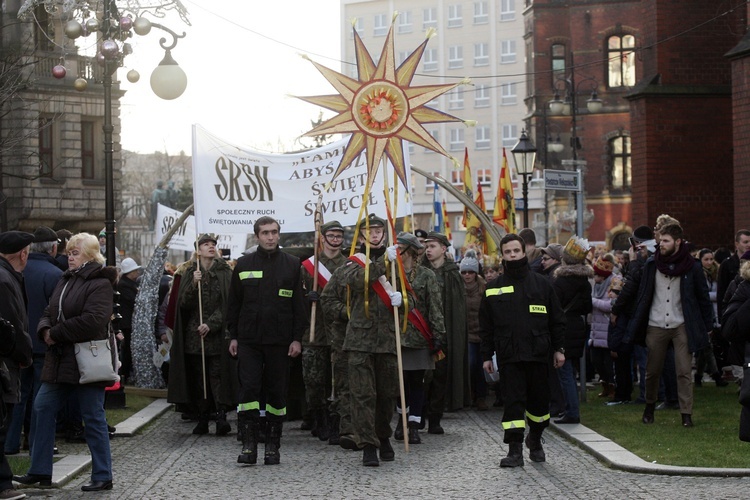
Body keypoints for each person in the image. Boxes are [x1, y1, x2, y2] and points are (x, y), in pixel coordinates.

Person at [14, 232, 115, 492]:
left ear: (90, 255)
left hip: (87, 360)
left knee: (92, 417)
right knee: (42, 407)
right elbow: (49, 311)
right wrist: (45, 330)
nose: (69, 257)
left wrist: (55, 333)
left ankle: (103, 474)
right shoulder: (65, 279)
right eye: (68, 252)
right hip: (60, 360)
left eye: (75, 253)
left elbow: (93, 320)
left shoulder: (99, 282)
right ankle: (40, 470)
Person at [479, 233, 566, 467]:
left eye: (516, 251)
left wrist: (559, 349)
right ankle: (514, 450)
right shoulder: (492, 288)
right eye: (507, 252)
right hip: (509, 356)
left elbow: (556, 320)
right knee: (513, 404)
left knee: (540, 406)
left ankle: (535, 439)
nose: (512, 255)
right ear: (503, 255)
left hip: (539, 355)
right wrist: (487, 355)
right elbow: (485, 326)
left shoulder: (542, 284)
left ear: (523, 252)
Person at [228, 217, 305, 466]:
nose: (270, 237)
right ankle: (249, 445)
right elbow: (234, 304)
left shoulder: (293, 265)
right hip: (249, 339)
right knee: (249, 390)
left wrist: (296, 338)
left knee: (276, 393)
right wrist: (233, 336)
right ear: (257, 236)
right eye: (265, 233)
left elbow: (298, 306)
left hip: (280, 341)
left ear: (279, 235)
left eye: (274, 232)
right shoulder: (243, 264)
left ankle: (273, 446)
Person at [626, 223, 713, 427]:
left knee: (683, 371)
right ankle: (649, 406)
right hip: (656, 323)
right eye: (660, 240)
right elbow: (641, 292)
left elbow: (703, 298)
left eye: (666, 241)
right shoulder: (651, 264)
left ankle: (686, 414)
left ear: (678, 242)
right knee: (652, 370)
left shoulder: (692, 266)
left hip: (682, 323)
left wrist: (708, 325)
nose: (661, 244)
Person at [338, 213, 399, 466]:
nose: (375, 235)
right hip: (360, 341)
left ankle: (383, 436)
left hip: (387, 340)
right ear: (361, 235)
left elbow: (413, 298)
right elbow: (356, 282)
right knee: (363, 395)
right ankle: (368, 445)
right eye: (369, 231)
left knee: (386, 396)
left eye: (378, 230)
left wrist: (404, 301)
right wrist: (384, 263)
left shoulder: (397, 261)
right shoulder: (353, 261)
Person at [167, 234, 235, 436]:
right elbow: (183, 305)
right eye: (206, 244)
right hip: (194, 337)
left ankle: (221, 415)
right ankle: (202, 417)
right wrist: (193, 285)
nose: (211, 247)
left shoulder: (225, 272)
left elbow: (228, 303)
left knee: (217, 376)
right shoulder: (189, 272)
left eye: (213, 244)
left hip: (217, 335)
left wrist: (211, 324)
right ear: (198, 250)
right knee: (199, 377)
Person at [5, 227, 62, 458]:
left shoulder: (14, 271)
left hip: (17, 344)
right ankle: (36, 443)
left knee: (17, 396)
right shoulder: (55, 274)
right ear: (54, 248)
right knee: (42, 398)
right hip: (43, 344)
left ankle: (10, 443)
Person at [300, 220, 347, 442]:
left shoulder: (348, 265)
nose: (336, 240)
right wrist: (306, 297)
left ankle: (335, 422)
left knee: (338, 380)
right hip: (314, 331)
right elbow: (296, 297)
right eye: (332, 236)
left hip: (339, 332)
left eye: (339, 236)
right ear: (323, 238)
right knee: (314, 381)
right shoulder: (309, 266)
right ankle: (317, 418)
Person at [421, 231, 468, 434]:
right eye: (426, 246)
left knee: (440, 377)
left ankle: (435, 417)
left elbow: (457, 307)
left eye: (432, 246)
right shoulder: (419, 271)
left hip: (444, 333)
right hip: (422, 332)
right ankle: (418, 414)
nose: (428, 250)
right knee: (422, 377)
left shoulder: (452, 274)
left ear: (443, 248)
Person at [0, 231, 34, 500]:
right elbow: (11, 328)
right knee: (3, 422)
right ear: (23, 254)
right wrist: (25, 354)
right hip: (5, 364)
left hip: (8, 361)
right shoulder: (4, 279)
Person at [551, 236, 593, 424]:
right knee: (571, 371)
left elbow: (554, 307)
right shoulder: (584, 281)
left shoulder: (560, 282)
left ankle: (572, 412)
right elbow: (587, 307)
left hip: (564, 328)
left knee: (565, 373)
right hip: (578, 326)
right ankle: (570, 409)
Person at [694, 249, 728, 387]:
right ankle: (716, 375)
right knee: (707, 346)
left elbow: (718, 293)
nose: (709, 262)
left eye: (711, 259)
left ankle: (698, 375)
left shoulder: (716, 273)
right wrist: (714, 296)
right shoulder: (698, 274)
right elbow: (702, 295)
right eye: (706, 259)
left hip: (713, 314)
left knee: (705, 348)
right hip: (701, 314)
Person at [461, 250, 488, 410]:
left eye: (470, 272)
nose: (467, 275)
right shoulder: (458, 288)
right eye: (464, 272)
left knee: (481, 366)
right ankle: (470, 393)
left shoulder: (483, 288)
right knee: (471, 364)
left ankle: (481, 397)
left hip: (482, 334)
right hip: (468, 335)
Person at [589, 255, 616, 398]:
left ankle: (612, 387)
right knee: (596, 361)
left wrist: (592, 301)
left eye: (596, 275)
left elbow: (609, 305)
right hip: (596, 330)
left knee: (607, 362)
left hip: (607, 329)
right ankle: (605, 385)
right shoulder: (597, 286)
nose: (594, 277)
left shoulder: (615, 282)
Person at [116, 258, 141, 384]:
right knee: (126, 351)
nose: (137, 273)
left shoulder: (128, 284)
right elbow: (134, 300)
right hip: (126, 323)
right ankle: (124, 373)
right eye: (135, 271)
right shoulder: (125, 285)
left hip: (128, 322)